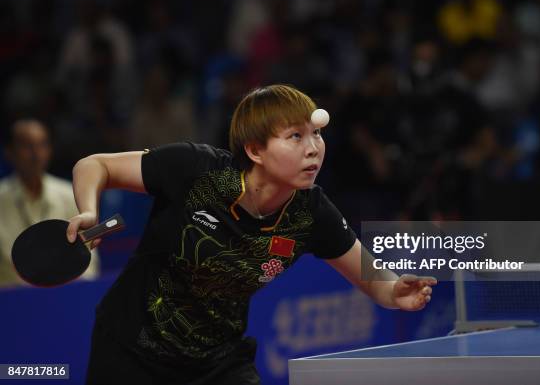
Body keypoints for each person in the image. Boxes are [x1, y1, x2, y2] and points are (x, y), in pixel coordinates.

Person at [70, 85, 436, 384]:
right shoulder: (196, 170)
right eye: (295, 136)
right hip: (132, 352)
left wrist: (394, 292)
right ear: (255, 149)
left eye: (316, 134)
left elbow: (374, 280)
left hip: (217, 363)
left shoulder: (310, 212)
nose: (313, 148)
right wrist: (89, 210)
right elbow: (94, 165)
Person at [0, 118, 99, 287]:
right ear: (9, 151)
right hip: (11, 302)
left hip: (64, 298)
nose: (36, 153)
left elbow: (89, 260)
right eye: (26, 146)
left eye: (42, 145)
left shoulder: (69, 193)